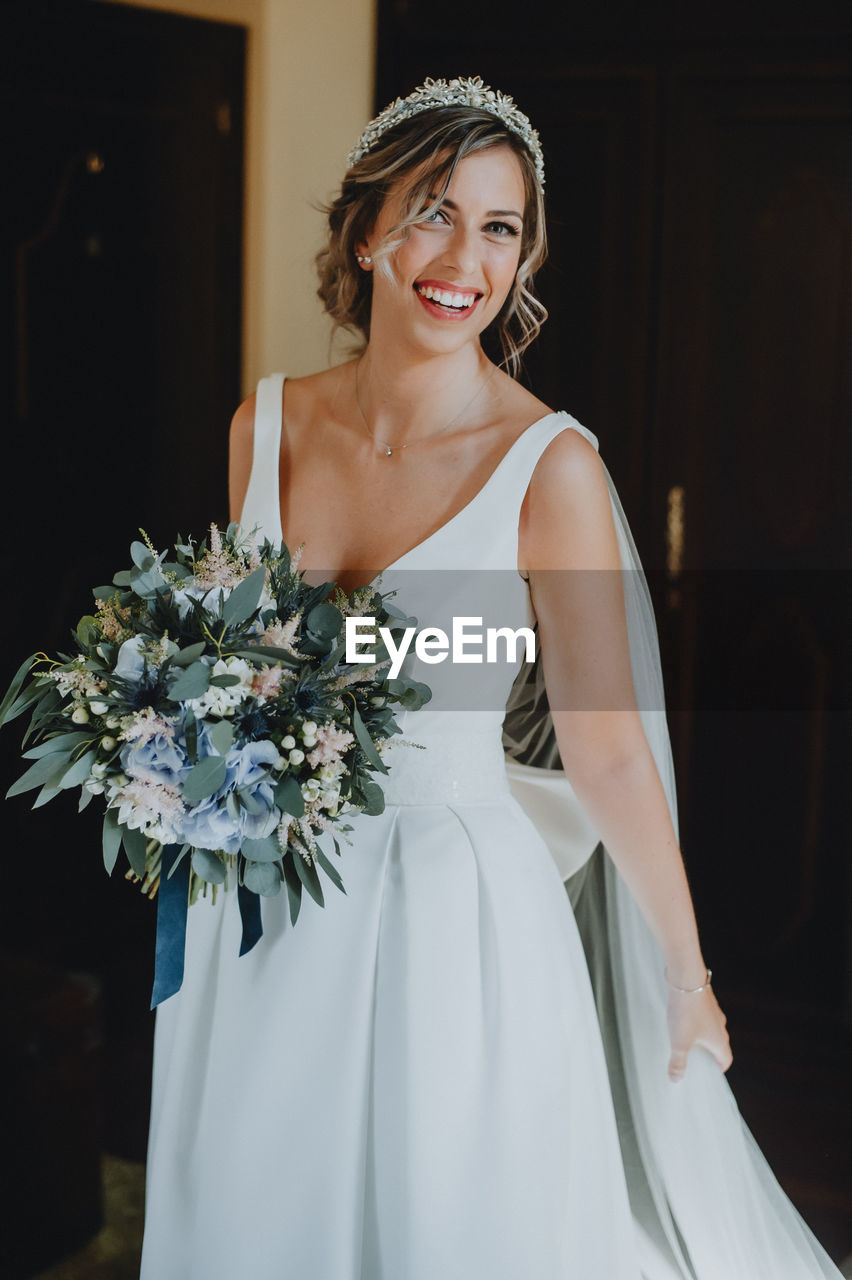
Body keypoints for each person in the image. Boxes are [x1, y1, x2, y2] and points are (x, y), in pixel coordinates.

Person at [141, 77, 843, 1278]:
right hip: (262, 912)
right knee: (262, 1209)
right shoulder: (263, 427)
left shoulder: (548, 468)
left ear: (523, 259)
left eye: (500, 226)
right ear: (366, 231)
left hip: (452, 914)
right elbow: (240, 663)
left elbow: (609, 750)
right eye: (432, 210)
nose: (463, 255)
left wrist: (688, 977)